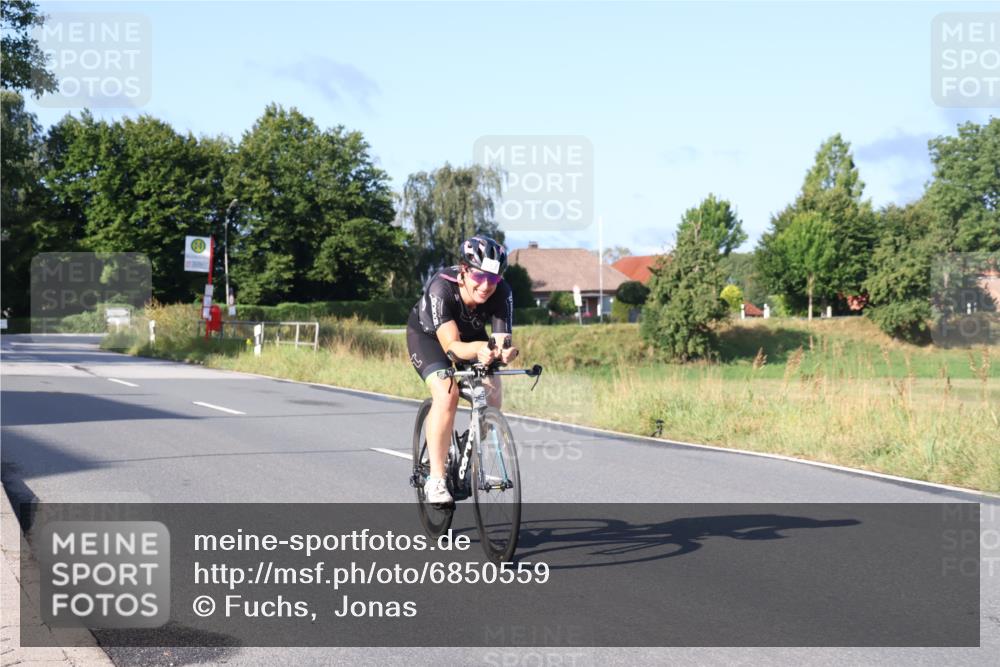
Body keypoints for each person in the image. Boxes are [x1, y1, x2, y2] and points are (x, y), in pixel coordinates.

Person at [406, 236, 519, 504]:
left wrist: (503, 353)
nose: (486, 286)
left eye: (493, 279)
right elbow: (452, 347)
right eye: (480, 277)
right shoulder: (441, 288)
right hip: (430, 338)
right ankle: (435, 478)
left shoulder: (502, 292)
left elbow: (501, 340)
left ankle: (469, 443)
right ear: (464, 271)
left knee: (492, 396)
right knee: (447, 395)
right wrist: (482, 347)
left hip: (471, 338)